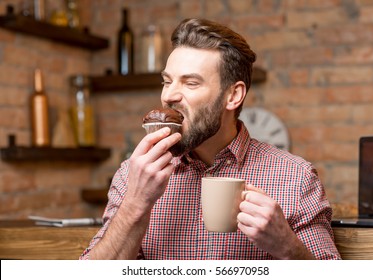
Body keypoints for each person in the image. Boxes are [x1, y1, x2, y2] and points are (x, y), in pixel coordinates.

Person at [80, 18, 341, 260]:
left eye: (190, 83)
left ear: (233, 96)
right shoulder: (133, 174)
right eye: (167, 81)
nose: (169, 95)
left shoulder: (295, 177)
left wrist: (287, 246)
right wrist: (136, 203)